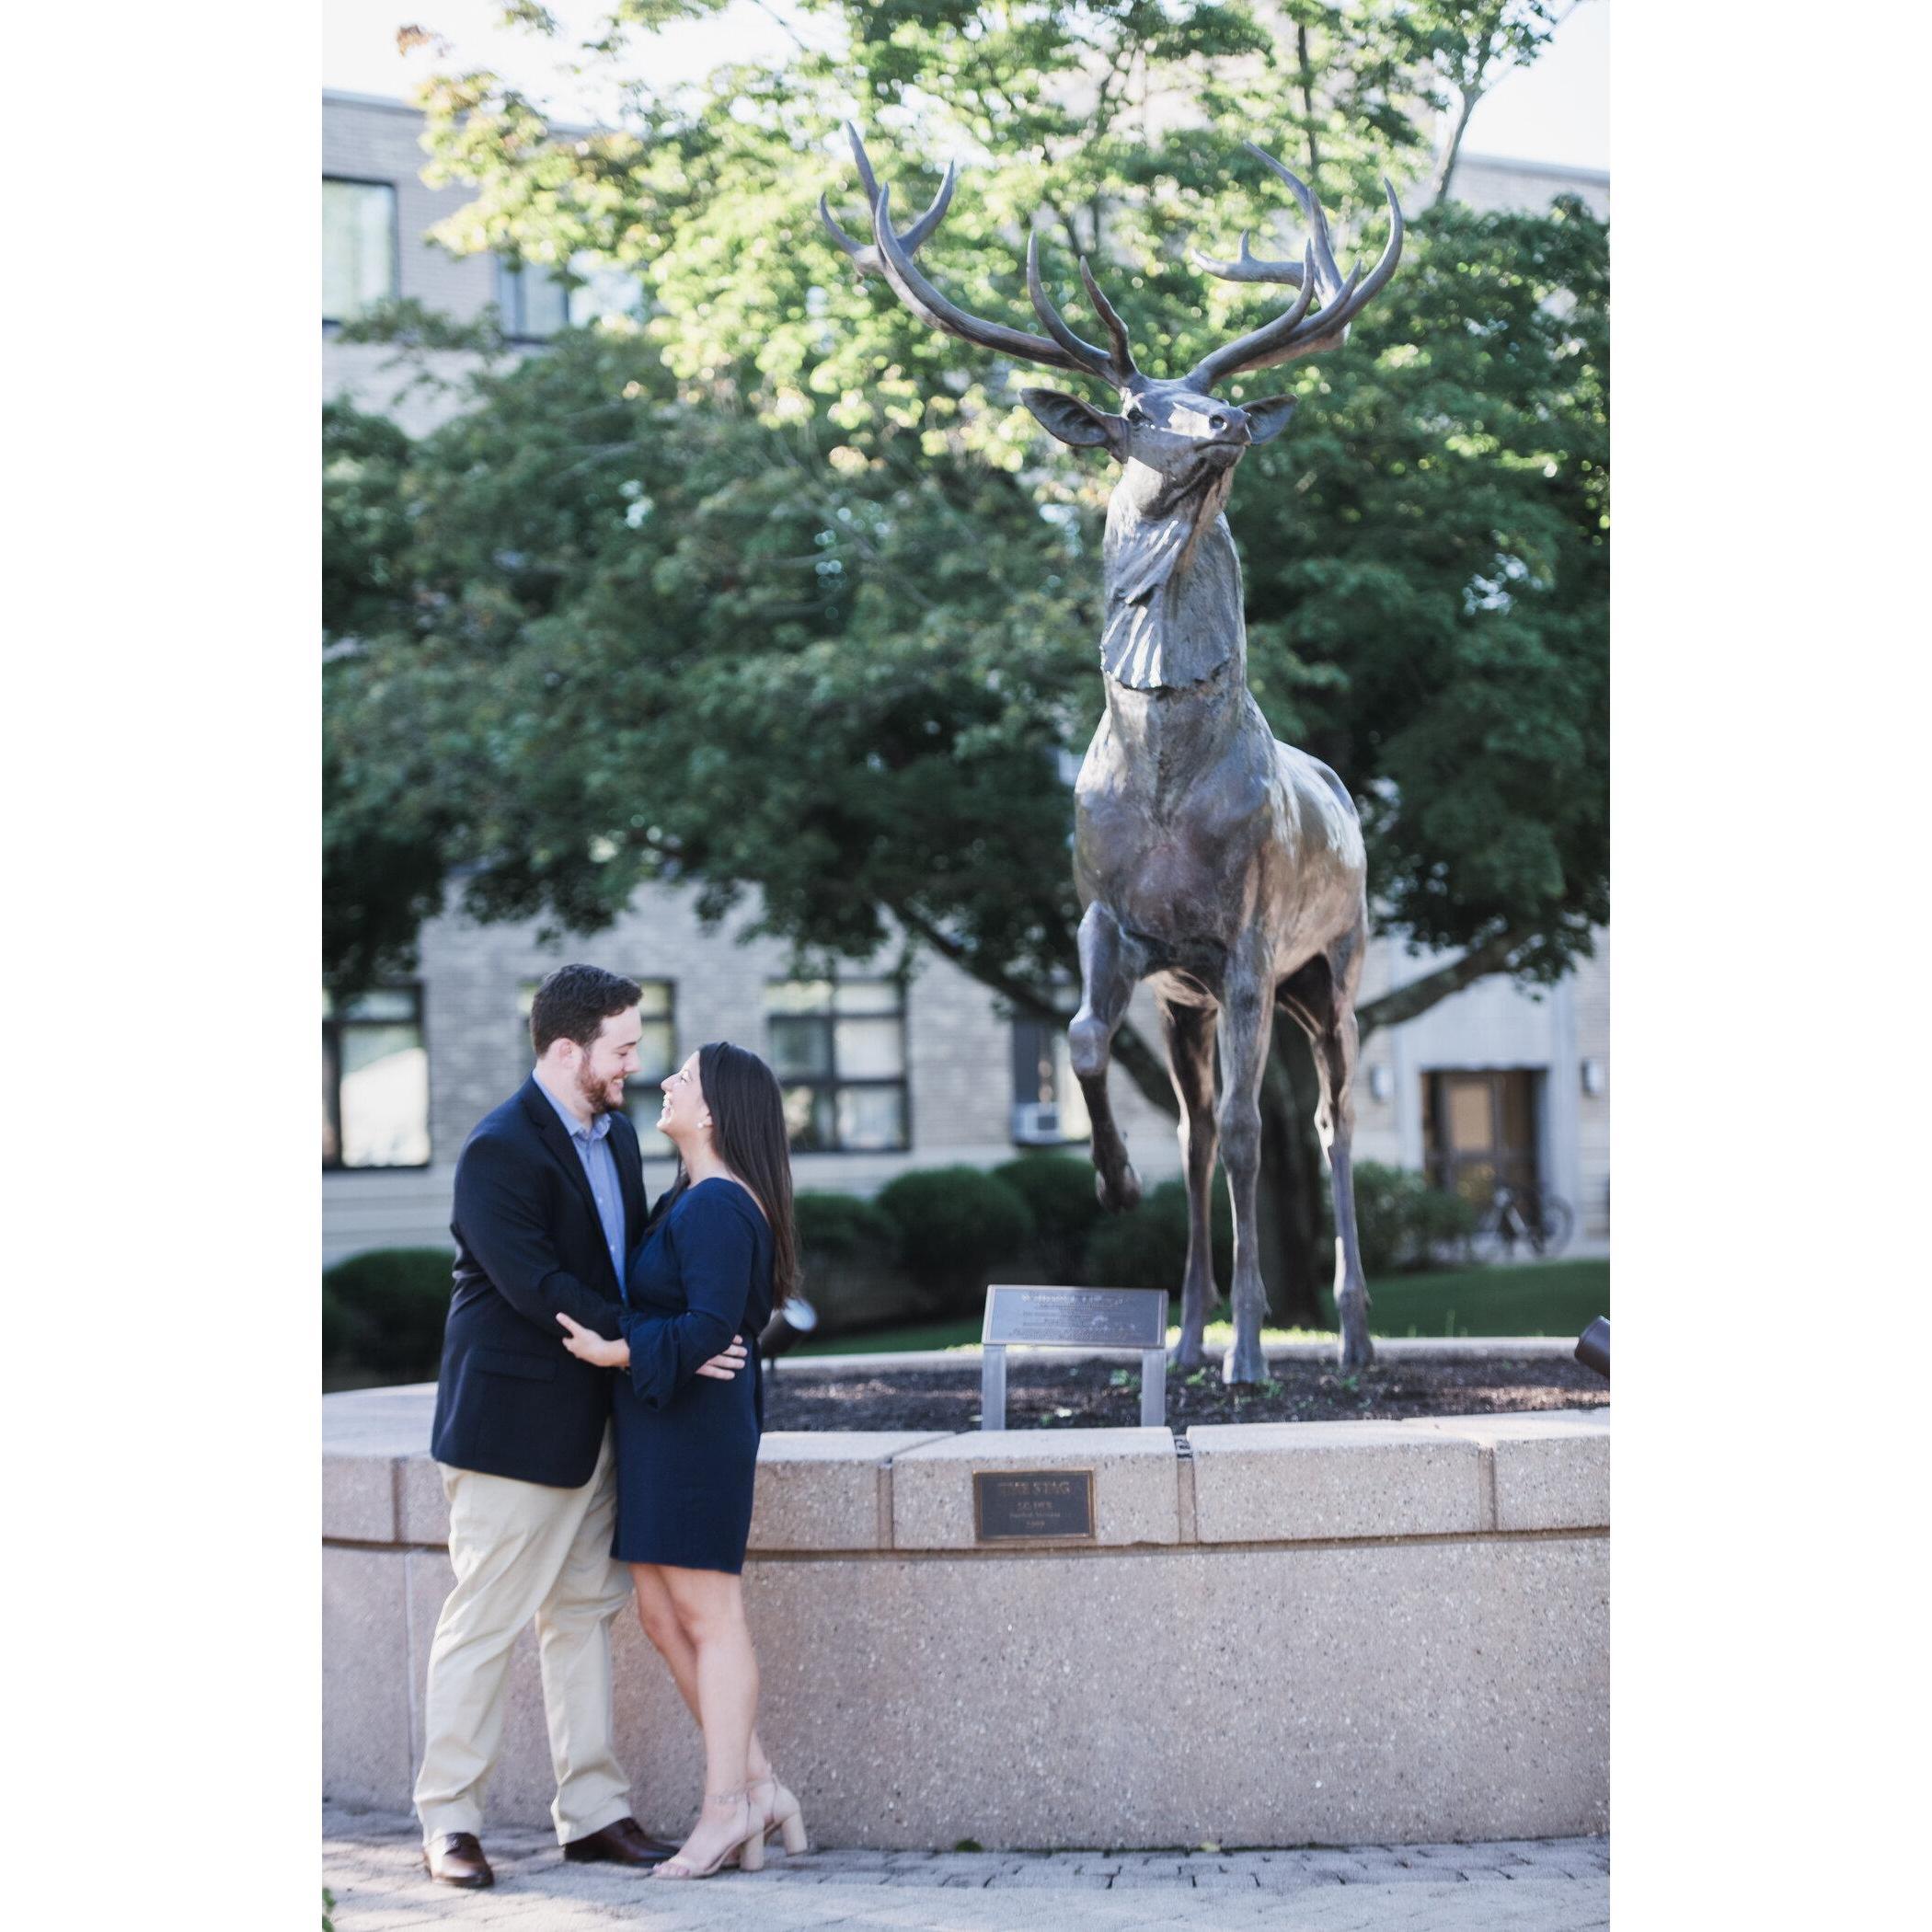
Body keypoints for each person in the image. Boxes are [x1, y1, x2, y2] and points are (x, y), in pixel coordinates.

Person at [413, 966, 749, 1890]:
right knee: (483, 1621)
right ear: (569, 1050)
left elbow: (631, 1268)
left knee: (582, 1619)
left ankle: (594, 1815)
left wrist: (680, 1339)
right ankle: (449, 1822)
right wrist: (660, 1344)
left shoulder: (624, 1135)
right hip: (511, 1432)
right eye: (624, 1048)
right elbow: (543, 1293)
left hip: (603, 1421)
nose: (636, 1064)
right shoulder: (499, 1151)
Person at [558, 1040, 807, 1880]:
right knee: (663, 1618)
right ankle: (761, 1784)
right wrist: (664, 1348)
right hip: (662, 1426)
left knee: (710, 1617)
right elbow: (706, 1330)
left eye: (684, 1078)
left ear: (714, 1110)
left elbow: (711, 1331)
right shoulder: (690, 1199)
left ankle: (725, 1809)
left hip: (698, 1434)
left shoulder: (721, 1207)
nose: (664, 1083)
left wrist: (614, 1350)